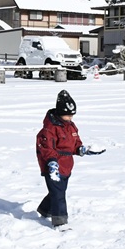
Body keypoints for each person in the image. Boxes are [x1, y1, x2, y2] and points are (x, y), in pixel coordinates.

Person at [35, 89, 84, 229]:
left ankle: (45, 210)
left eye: (72, 115)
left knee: (58, 191)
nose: (71, 118)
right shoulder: (49, 129)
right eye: (68, 115)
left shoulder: (71, 126)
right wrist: (52, 163)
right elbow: (46, 148)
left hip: (67, 165)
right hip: (53, 166)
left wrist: (80, 149)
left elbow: (75, 141)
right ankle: (60, 222)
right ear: (60, 113)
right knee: (59, 195)